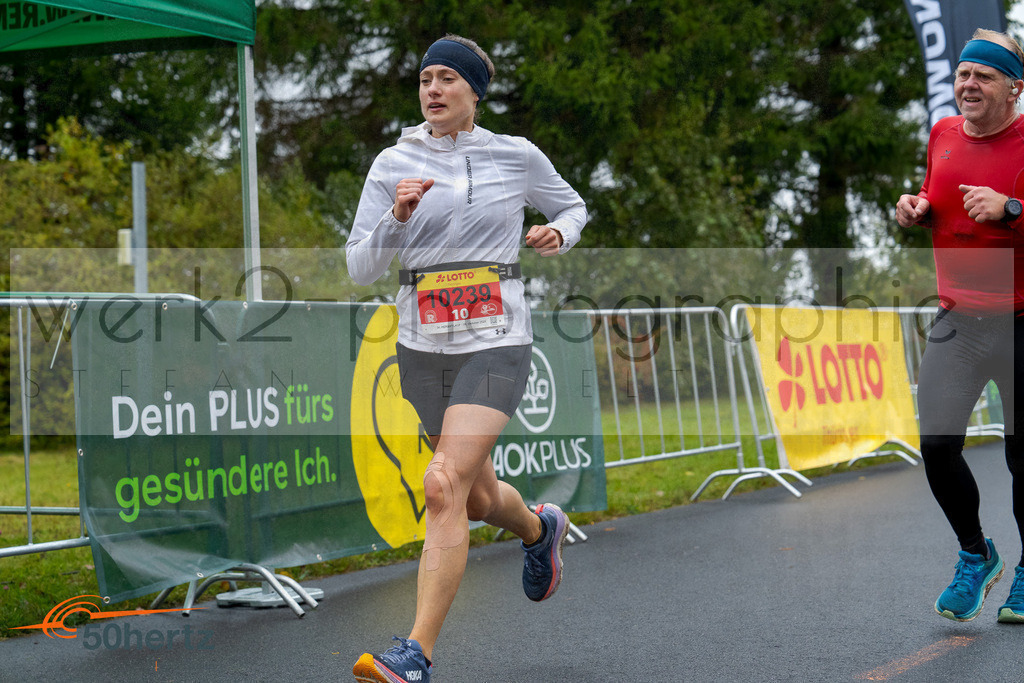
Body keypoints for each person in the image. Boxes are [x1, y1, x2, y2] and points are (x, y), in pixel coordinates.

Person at [345, 34, 588, 682]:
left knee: (441, 483)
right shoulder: (392, 161)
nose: (432, 89)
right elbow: (359, 266)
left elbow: (571, 202)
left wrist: (559, 230)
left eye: (448, 77)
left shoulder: (514, 156)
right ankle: (539, 531)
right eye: (425, 78)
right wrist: (395, 218)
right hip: (422, 343)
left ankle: (414, 654)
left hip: (497, 337)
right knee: (474, 497)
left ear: (475, 90)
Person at [896, 28, 1024, 624]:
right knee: (937, 444)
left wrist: (1012, 208)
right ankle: (977, 554)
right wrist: (918, 208)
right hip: (959, 320)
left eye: (984, 77)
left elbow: (1006, 209)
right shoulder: (943, 133)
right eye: (964, 74)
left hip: (1021, 321)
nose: (967, 84)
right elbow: (935, 192)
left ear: (1014, 90)